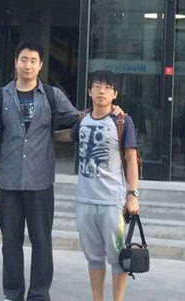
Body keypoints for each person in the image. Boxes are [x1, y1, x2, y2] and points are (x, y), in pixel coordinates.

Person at [0, 41, 82, 301]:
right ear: (15, 62)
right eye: (23, 60)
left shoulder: (51, 95)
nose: (27, 65)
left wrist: (107, 112)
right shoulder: (1, 96)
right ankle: (13, 293)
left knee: (41, 241)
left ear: (40, 65)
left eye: (33, 61)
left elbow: (78, 119)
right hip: (8, 180)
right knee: (11, 242)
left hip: (40, 181)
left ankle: (39, 294)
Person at [55, 70, 140, 301]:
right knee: (93, 257)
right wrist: (41, 133)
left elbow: (131, 158)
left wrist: (133, 194)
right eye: (97, 86)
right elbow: (68, 136)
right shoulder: (83, 120)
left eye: (107, 87)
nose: (102, 91)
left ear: (115, 94)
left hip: (112, 201)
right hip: (84, 200)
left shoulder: (122, 121)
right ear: (89, 91)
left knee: (119, 256)